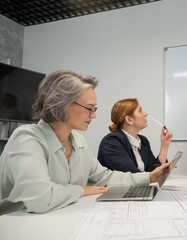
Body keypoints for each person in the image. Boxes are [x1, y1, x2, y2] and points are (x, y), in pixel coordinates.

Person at [0, 70, 170, 214]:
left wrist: (148, 177)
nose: (94, 115)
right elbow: (39, 198)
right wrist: (82, 190)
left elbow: (105, 177)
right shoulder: (26, 138)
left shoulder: (79, 142)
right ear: (62, 104)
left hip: (61, 218)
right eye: (89, 108)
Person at [98, 98, 173, 173]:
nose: (145, 114)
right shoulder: (111, 142)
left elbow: (153, 171)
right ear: (129, 119)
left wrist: (164, 145)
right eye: (140, 111)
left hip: (140, 185)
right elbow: (132, 176)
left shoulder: (143, 141)